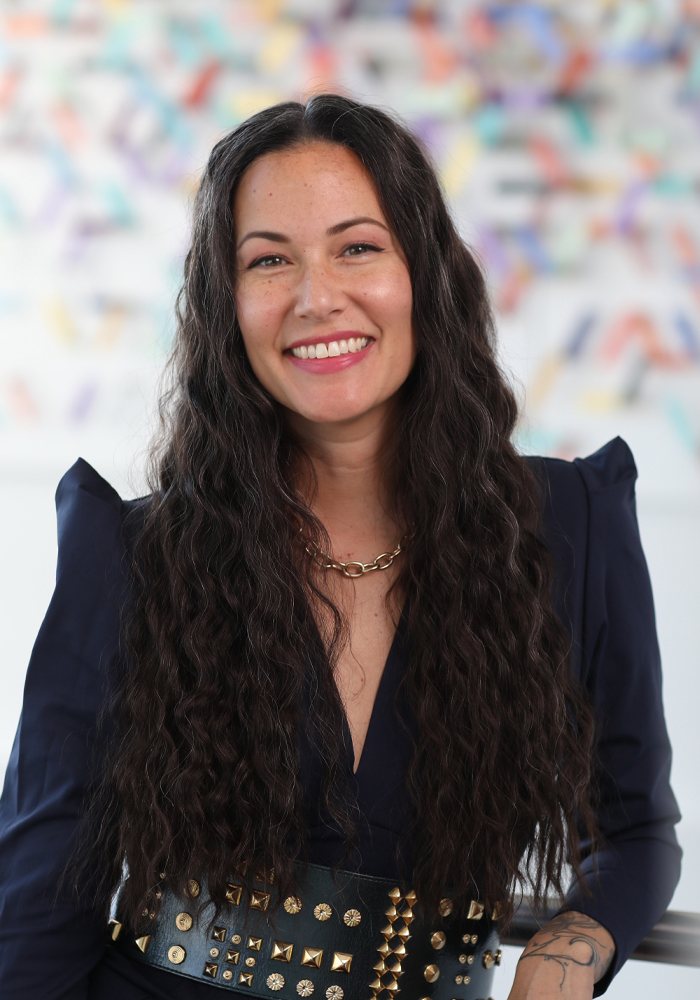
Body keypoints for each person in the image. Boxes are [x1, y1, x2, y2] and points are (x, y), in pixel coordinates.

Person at [0, 95, 681, 1000]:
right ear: (226, 305)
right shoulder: (129, 552)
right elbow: (40, 900)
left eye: (357, 246)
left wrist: (579, 940)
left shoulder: (571, 524)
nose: (317, 297)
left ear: (424, 272)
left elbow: (634, 831)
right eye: (269, 259)